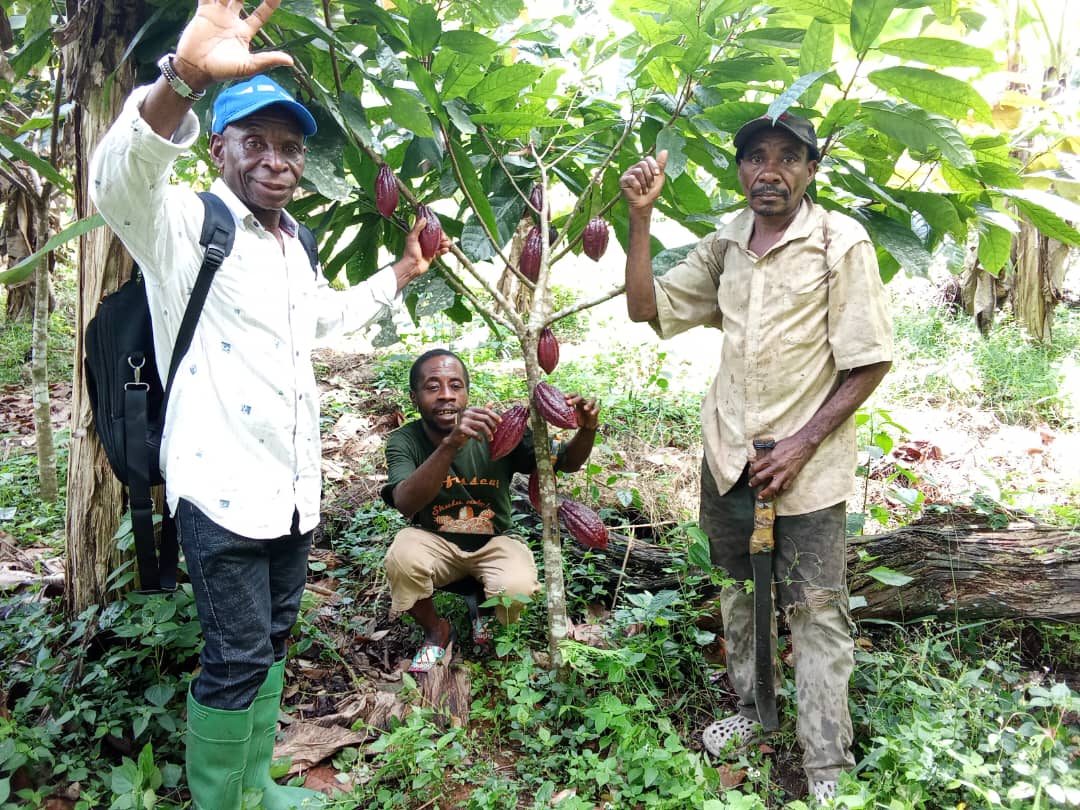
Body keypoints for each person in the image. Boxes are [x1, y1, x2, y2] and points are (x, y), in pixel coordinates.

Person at [88, 2, 450, 807]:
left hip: (291, 491)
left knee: (274, 643)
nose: (276, 161)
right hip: (219, 489)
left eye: (289, 148)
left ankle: (255, 781)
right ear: (219, 148)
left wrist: (399, 277)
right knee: (237, 656)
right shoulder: (186, 224)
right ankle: (225, 799)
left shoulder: (292, 244)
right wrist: (181, 77)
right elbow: (118, 182)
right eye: (255, 142)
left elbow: (321, 319)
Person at [618, 112, 893, 801]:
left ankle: (827, 762)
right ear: (740, 169)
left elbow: (869, 361)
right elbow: (646, 308)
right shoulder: (725, 245)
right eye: (754, 158)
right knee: (740, 596)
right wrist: (641, 219)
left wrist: (802, 445)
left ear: (810, 169)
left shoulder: (839, 242)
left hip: (808, 468)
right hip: (731, 457)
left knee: (817, 610)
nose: (767, 171)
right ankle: (753, 711)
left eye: (786, 158)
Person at [381, 349, 599, 672]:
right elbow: (405, 502)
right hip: (435, 542)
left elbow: (564, 462)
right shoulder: (404, 440)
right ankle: (436, 631)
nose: (446, 395)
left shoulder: (498, 430)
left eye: (455, 385)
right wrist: (451, 444)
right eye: (432, 386)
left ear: (467, 392)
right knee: (401, 558)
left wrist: (587, 429)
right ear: (414, 397)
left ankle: (486, 614)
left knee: (517, 586)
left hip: (494, 542)